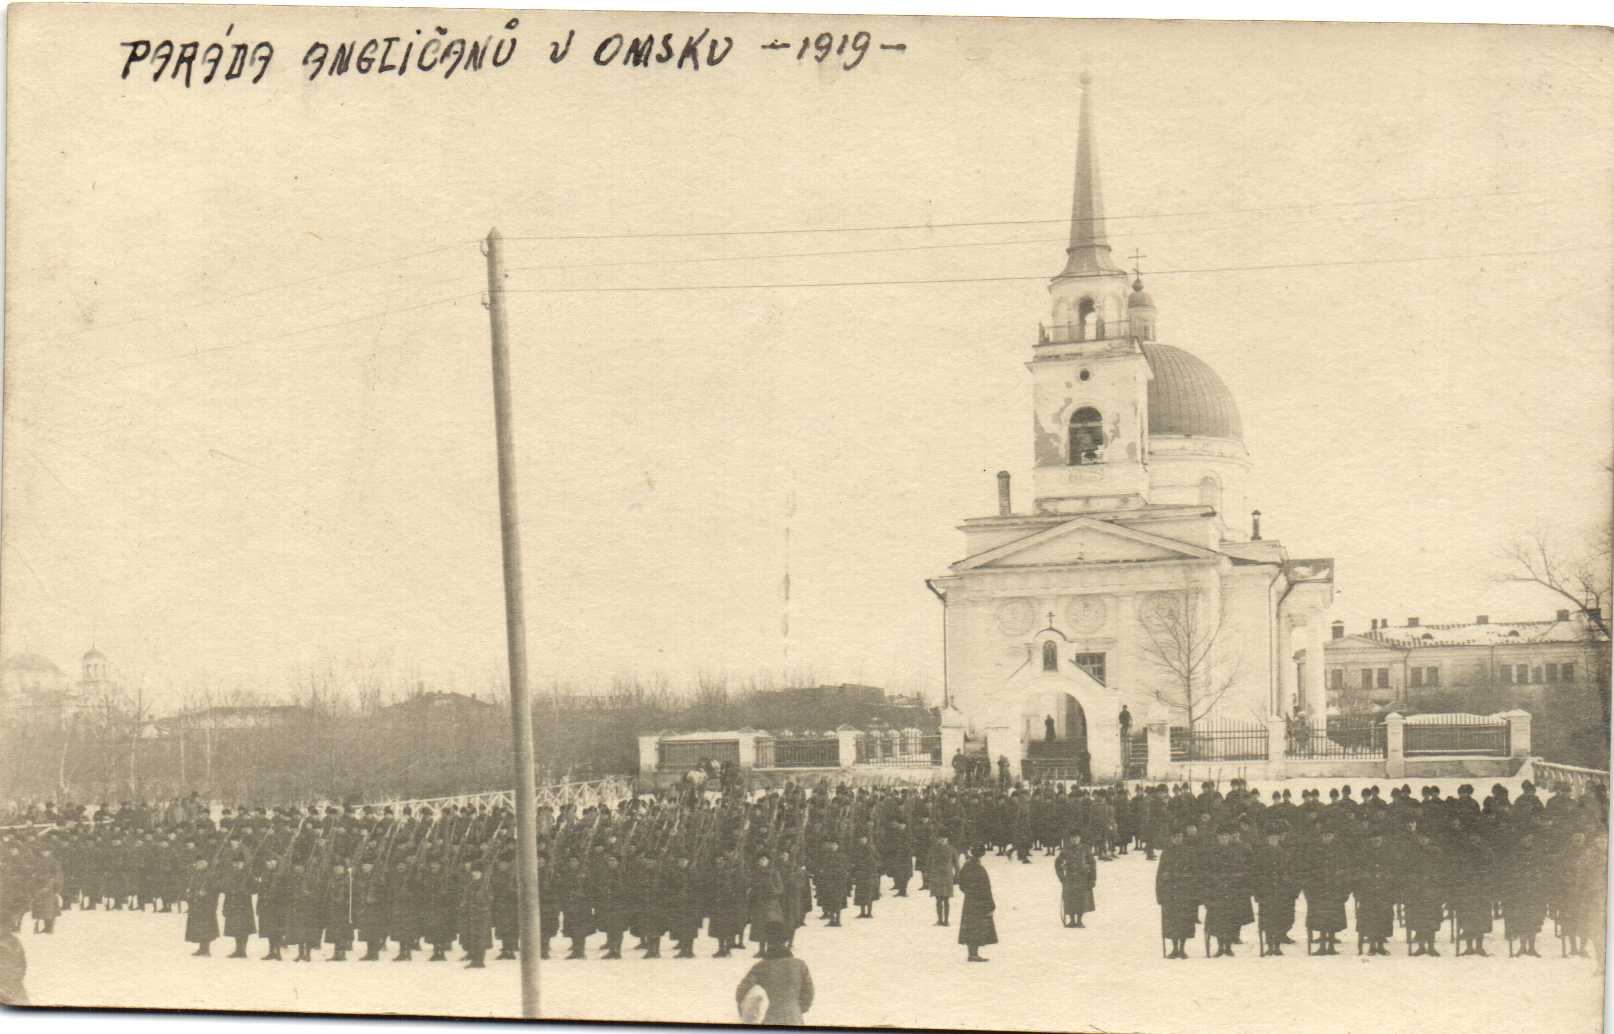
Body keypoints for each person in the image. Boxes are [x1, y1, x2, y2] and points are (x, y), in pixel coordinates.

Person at [734, 928, 814, 1026]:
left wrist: (745, 1013)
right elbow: (809, 991)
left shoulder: (761, 966)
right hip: (794, 1018)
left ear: (768, 943)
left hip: (770, 1018)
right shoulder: (799, 965)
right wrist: (799, 1008)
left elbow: (742, 990)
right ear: (785, 942)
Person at [956, 845, 997, 962]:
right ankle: (974, 954)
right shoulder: (979, 868)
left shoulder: (966, 866)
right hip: (980, 901)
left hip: (969, 900)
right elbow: (986, 888)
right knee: (977, 927)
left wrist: (969, 892)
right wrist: (990, 904)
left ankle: (972, 953)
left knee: (970, 927)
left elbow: (961, 884)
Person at [928, 833, 957, 927]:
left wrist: (957, 875)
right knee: (938, 899)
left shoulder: (952, 849)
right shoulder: (933, 849)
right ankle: (940, 920)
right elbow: (928, 861)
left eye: (943, 838)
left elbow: (956, 863)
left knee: (946, 899)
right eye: (939, 838)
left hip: (946, 876)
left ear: (947, 839)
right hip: (937, 876)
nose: (941, 840)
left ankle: (946, 920)